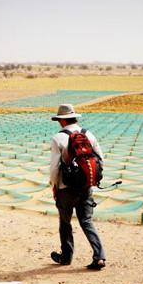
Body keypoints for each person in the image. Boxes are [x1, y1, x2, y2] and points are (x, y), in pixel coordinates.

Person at [49, 104, 107, 270]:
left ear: (61, 121)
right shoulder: (88, 134)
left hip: (65, 188)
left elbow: (54, 168)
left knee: (65, 222)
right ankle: (99, 256)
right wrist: (89, 179)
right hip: (86, 186)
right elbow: (100, 159)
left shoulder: (57, 138)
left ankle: (66, 257)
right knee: (87, 221)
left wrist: (54, 186)